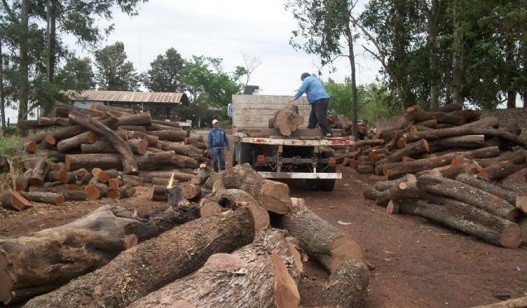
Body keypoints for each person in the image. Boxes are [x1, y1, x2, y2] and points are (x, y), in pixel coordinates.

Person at [291, 72, 332, 137]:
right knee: (313, 118)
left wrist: (294, 98)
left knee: (320, 116)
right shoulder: (314, 79)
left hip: (319, 99)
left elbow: (301, 90)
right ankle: (309, 131)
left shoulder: (307, 79)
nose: (303, 82)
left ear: (303, 78)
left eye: (302, 80)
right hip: (319, 100)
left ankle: (328, 132)